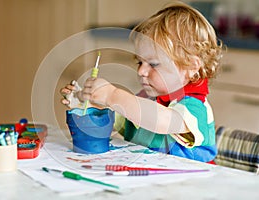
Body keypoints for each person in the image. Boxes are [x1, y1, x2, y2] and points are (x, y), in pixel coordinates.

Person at [60, 1, 223, 163]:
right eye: (139, 62)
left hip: (193, 183)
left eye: (153, 64)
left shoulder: (195, 107)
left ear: (191, 66)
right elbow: (115, 121)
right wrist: (85, 107)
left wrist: (113, 95)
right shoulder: (147, 98)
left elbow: (162, 120)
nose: (141, 71)